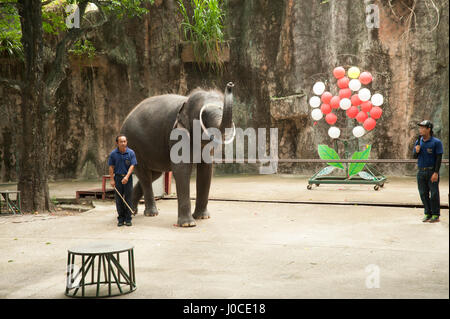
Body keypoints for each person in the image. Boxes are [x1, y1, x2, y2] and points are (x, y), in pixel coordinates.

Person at [413, 120, 443, 223]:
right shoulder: (418, 141)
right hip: (421, 171)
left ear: (428, 129)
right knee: (423, 193)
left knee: (434, 193)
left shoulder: (436, 142)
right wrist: (416, 151)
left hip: (431, 171)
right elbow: (414, 156)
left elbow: (439, 159)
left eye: (422, 128)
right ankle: (427, 213)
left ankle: (435, 214)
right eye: (419, 128)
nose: (420, 130)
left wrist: (436, 173)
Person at [108, 135, 137, 227]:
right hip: (117, 178)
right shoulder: (113, 154)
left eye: (125, 141)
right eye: (121, 142)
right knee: (119, 200)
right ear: (117, 143)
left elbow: (132, 166)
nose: (123, 143)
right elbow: (111, 167)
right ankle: (121, 219)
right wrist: (112, 179)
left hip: (128, 178)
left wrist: (127, 177)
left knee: (128, 198)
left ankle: (128, 219)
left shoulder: (131, 153)